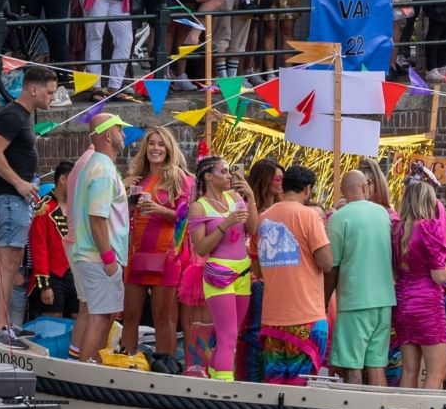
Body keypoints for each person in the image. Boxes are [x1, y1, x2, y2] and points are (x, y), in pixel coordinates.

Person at [0, 63, 58, 343]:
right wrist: (18, 183)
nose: (52, 98)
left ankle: (4, 325)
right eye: (49, 93)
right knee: (5, 262)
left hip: (16, 198)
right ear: (34, 89)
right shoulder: (14, 115)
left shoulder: (22, 115)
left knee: (11, 262)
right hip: (10, 197)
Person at [122, 120, 193, 365]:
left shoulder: (180, 178)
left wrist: (159, 209)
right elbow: (121, 215)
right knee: (129, 315)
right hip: (137, 253)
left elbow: (186, 219)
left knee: (164, 318)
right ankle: (127, 362)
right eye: (151, 144)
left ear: (169, 149)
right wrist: (123, 191)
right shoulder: (136, 179)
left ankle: (167, 367)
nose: (155, 148)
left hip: (167, 255)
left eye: (161, 145)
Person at [255, 165, 332, 384]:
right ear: (307, 189)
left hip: (272, 319)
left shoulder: (263, 218)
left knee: (275, 385)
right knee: (300, 391)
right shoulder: (309, 216)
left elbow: (258, 270)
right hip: (305, 317)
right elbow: (326, 263)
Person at [65, 116, 130, 363]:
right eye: (119, 128)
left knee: (99, 314)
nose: (123, 134)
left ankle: (88, 369)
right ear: (107, 135)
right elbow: (97, 218)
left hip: (88, 254)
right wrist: (109, 259)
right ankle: (88, 373)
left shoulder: (93, 165)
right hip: (98, 257)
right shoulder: (102, 168)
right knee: (101, 316)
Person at [187, 155, 256, 380]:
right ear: (208, 176)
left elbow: (252, 229)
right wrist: (226, 223)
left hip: (244, 271)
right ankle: (226, 389)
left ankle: (215, 379)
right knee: (227, 334)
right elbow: (201, 248)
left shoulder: (235, 196)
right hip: (219, 273)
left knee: (231, 335)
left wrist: (251, 197)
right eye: (223, 171)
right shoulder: (199, 207)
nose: (229, 175)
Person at [327, 166, 397, 387]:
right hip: (384, 299)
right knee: (377, 364)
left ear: (342, 191)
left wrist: (324, 298)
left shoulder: (339, 218)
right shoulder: (384, 214)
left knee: (352, 366)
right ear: (366, 187)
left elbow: (331, 265)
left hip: (354, 300)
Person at [391, 169, 446, 390]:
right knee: (436, 372)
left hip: (403, 302)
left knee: (409, 369)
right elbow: (439, 276)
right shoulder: (429, 227)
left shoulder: (397, 230)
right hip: (427, 302)